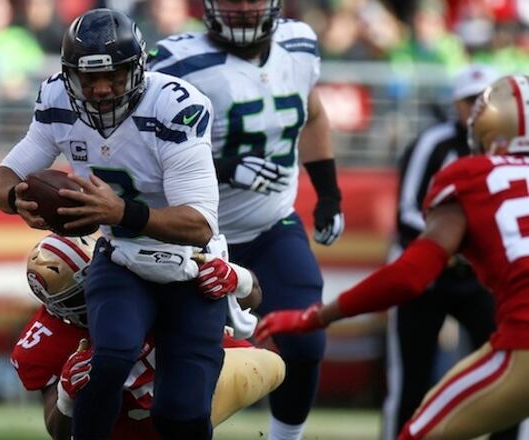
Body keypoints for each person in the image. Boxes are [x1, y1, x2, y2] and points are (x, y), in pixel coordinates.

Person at [0, 9, 227, 439]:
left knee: (182, 414)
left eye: (114, 75)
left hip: (190, 266)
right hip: (122, 258)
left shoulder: (175, 106)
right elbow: (1, 179)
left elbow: (200, 225)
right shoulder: (58, 100)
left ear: (137, 69)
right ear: (68, 77)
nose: (100, 89)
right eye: (87, 78)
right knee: (110, 358)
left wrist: (122, 213)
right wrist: (14, 199)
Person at [255, 75, 529, 440]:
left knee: (415, 433)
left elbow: (410, 275)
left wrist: (318, 316)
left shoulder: (472, 174)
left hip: (522, 344)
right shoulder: (440, 149)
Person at [147, 1, 344, 438]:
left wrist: (328, 193)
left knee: (306, 339)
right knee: (184, 365)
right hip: (189, 239)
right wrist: (223, 165)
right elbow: (140, 141)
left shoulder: (299, 43)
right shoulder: (176, 60)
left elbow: (311, 114)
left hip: (270, 226)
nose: (242, 10)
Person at [11, 234, 286, 440]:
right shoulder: (42, 342)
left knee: (271, 365)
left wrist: (239, 277)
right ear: (61, 304)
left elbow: (254, 296)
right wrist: (66, 396)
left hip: (194, 379)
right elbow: (57, 430)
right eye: (86, 290)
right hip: (126, 423)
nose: (100, 290)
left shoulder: (147, 269)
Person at [383, 64, 521, 440]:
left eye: (484, 100)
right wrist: (451, 247)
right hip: (425, 274)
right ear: (456, 105)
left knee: (508, 372)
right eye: (470, 101)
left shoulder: (512, 151)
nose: (478, 108)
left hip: (478, 278)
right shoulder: (434, 143)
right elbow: (407, 211)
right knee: (411, 378)